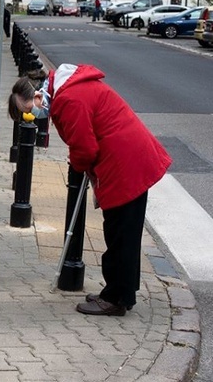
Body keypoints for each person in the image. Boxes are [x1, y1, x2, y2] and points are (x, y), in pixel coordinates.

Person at [9, 64, 172, 316]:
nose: (33, 116)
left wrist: (77, 164)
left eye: (29, 111)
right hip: (127, 157)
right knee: (124, 230)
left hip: (124, 163)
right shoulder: (68, 90)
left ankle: (115, 298)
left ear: (38, 96)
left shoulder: (69, 100)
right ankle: (122, 292)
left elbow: (85, 149)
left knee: (119, 231)